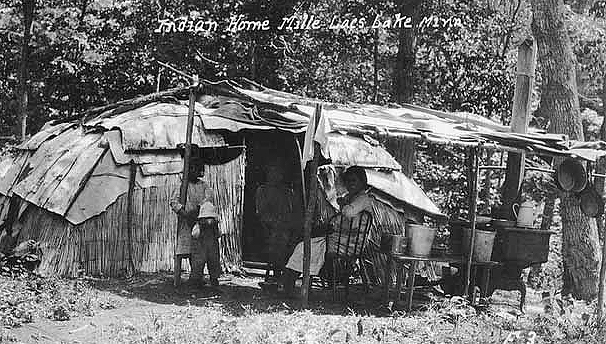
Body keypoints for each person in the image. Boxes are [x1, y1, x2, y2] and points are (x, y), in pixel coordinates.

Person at [280, 166, 373, 296]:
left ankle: (289, 284)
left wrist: (343, 204)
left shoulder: (363, 199)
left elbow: (349, 212)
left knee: (305, 247)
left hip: (349, 244)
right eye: (348, 181)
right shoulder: (353, 198)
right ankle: (288, 282)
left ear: (362, 182)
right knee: (305, 244)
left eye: (354, 181)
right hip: (340, 240)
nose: (351, 184)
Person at [170, 161, 215, 286]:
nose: (194, 172)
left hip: (200, 221)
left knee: (198, 252)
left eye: (197, 169)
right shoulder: (182, 185)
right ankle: (177, 280)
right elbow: (174, 202)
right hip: (185, 222)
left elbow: (208, 199)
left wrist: (198, 211)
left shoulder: (204, 186)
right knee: (183, 250)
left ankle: (196, 278)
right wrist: (185, 214)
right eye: (192, 169)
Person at [192, 201, 222, 287]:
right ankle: (197, 281)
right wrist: (200, 226)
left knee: (214, 263)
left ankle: (214, 280)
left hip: (212, 247)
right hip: (201, 247)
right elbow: (194, 234)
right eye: (207, 218)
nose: (209, 221)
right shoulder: (199, 225)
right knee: (199, 263)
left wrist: (216, 227)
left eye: (211, 218)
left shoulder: (215, 225)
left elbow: (219, 234)